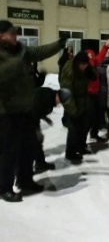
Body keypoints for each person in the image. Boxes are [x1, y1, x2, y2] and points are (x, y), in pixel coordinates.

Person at [0, 19, 69, 202]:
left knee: (28, 148)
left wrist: (59, 44)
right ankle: (4, 187)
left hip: (25, 110)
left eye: (16, 32)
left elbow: (39, 52)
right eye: (12, 33)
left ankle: (25, 180)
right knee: (8, 152)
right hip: (6, 112)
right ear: (2, 36)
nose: (16, 36)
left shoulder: (21, 50)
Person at [60, 51, 97, 163]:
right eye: (82, 65)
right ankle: (70, 152)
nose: (84, 67)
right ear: (77, 63)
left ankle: (81, 147)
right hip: (72, 99)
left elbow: (93, 76)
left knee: (85, 124)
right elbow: (66, 91)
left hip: (84, 99)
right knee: (74, 128)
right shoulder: (69, 70)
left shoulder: (85, 66)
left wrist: (90, 72)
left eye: (85, 64)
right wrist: (73, 109)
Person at [32, 87, 71, 173]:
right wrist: (35, 128)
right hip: (27, 119)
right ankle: (25, 170)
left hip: (30, 117)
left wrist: (45, 118)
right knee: (34, 142)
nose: (59, 103)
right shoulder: (48, 99)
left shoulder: (49, 95)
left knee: (37, 141)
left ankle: (39, 163)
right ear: (58, 95)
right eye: (60, 101)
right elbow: (34, 109)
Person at [85, 39, 109, 142]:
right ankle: (82, 139)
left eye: (92, 55)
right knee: (90, 118)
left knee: (96, 116)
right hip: (88, 94)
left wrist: (105, 46)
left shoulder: (94, 63)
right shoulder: (87, 66)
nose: (92, 56)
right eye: (90, 55)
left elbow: (99, 58)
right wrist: (90, 58)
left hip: (96, 94)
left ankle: (94, 134)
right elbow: (93, 62)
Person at [58, 44, 73, 127]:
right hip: (65, 84)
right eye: (69, 51)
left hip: (71, 84)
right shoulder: (63, 60)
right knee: (67, 102)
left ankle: (67, 119)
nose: (70, 53)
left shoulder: (71, 59)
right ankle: (65, 120)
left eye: (71, 51)